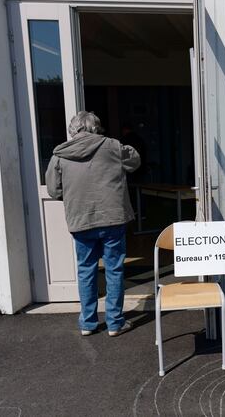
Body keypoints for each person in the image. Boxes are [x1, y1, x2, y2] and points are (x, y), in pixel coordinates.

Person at [45, 111, 141, 337]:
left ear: (73, 129)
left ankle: (88, 323)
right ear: (96, 128)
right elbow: (135, 161)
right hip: (112, 218)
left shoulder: (60, 154)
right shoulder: (113, 146)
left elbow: (53, 189)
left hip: (81, 219)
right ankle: (115, 323)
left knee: (86, 270)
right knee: (114, 269)